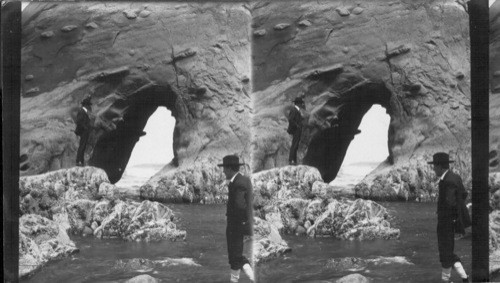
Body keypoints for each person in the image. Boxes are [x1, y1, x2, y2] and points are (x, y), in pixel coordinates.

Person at [428, 152, 471, 282]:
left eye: (434, 166)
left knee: (445, 252)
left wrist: (451, 219)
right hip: (450, 222)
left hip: (445, 223)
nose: (434, 169)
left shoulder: (447, 181)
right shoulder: (455, 177)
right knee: (448, 251)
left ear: (440, 166)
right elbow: (463, 194)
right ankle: (464, 278)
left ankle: (446, 280)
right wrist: (459, 215)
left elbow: (450, 203)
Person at [218, 155, 254, 282]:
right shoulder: (244, 180)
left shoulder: (237, 183)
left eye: (224, 168)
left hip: (236, 226)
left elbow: (239, 206)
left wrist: (238, 224)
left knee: (235, 257)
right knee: (236, 257)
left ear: (229, 168)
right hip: (242, 225)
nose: (223, 172)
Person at [74, 95, 92, 166]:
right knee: (82, 146)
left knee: (83, 146)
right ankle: (79, 161)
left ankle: (81, 161)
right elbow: (78, 122)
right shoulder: (82, 111)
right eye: (88, 105)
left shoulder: (84, 111)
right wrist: (85, 128)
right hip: (83, 131)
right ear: (86, 106)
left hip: (85, 131)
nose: (90, 107)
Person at [287, 97, 305, 165]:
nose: (302, 105)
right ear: (298, 104)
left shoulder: (296, 110)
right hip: (296, 130)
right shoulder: (294, 110)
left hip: (298, 130)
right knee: (294, 145)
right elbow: (290, 119)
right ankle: (291, 160)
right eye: (301, 103)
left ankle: (294, 160)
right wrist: (297, 126)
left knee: (296, 145)